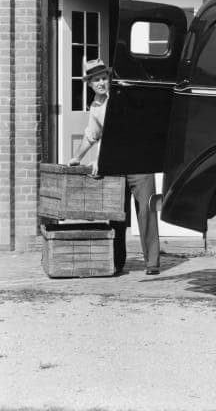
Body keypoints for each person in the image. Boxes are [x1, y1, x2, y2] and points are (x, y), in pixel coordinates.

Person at [69, 58, 160, 276]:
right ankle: (117, 262)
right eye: (96, 80)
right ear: (89, 84)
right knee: (117, 214)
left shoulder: (121, 97)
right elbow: (91, 135)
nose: (101, 83)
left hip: (138, 161)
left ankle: (152, 263)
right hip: (116, 167)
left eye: (104, 78)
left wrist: (101, 160)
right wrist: (77, 157)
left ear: (109, 79)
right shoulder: (95, 106)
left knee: (146, 210)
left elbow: (120, 132)